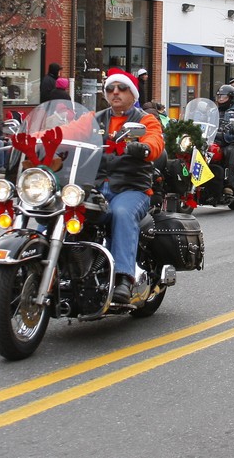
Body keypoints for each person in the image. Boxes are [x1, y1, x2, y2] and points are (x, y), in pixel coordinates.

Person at [87, 68, 164, 304]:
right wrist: (39, 139)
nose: (115, 92)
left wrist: (145, 147)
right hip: (97, 186)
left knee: (121, 213)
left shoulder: (144, 119)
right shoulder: (95, 119)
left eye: (121, 88)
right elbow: (68, 133)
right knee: (60, 205)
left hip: (131, 188)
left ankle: (123, 277)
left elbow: (155, 139)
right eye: (110, 89)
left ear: (132, 93)